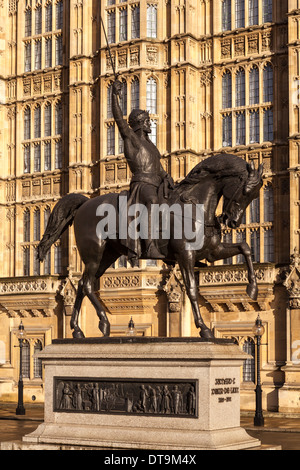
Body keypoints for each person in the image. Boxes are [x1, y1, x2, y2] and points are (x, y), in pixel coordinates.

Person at [112, 79, 175, 259]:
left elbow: (158, 167)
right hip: (142, 185)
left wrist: (166, 176)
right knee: (153, 201)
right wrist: (114, 96)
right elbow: (118, 119)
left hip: (156, 183)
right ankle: (148, 246)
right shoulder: (132, 138)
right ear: (139, 123)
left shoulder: (151, 146)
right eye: (147, 121)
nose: (150, 124)